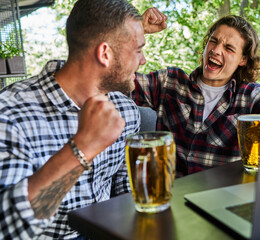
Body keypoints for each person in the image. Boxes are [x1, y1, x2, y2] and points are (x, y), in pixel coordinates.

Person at [0, 1, 166, 239]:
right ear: (105, 54)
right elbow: (8, 229)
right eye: (139, 50)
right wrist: (82, 147)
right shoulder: (11, 112)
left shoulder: (125, 111)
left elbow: (127, 198)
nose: (143, 61)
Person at [132, 15, 260, 177]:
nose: (216, 50)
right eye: (213, 41)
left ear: (243, 59)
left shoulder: (251, 97)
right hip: (170, 193)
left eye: (229, 48)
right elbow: (116, 78)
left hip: (221, 195)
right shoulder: (170, 82)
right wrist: (136, 28)